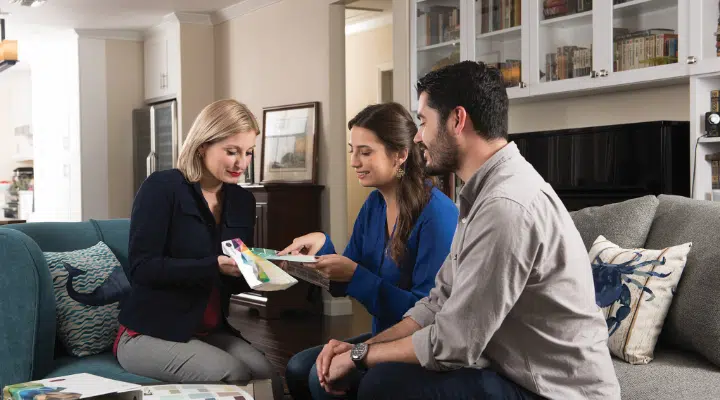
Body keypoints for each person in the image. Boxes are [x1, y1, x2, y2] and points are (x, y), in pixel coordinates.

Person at [313, 61, 622, 399]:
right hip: (505, 368)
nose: (418, 136)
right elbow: (437, 302)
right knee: (347, 374)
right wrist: (360, 350)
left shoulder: (506, 207)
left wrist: (362, 357)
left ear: (457, 120)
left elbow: (454, 343)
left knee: (381, 384)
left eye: (423, 121)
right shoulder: (480, 194)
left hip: (551, 391)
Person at [280, 102, 458, 400]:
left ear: (400, 154)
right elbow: (346, 277)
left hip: (417, 343)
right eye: (352, 151)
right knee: (298, 368)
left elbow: (427, 312)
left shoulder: (437, 214)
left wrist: (354, 275)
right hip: (382, 337)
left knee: (317, 378)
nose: (354, 161)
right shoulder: (374, 205)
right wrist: (321, 245)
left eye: (365, 152)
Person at [115, 99, 284, 400]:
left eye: (248, 153)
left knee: (268, 378)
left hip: (206, 330)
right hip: (147, 333)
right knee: (234, 374)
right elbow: (142, 269)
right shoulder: (162, 188)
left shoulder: (242, 202)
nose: (241, 163)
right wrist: (214, 265)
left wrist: (263, 270)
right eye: (231, 151)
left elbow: (233, 278)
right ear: (203, 145)